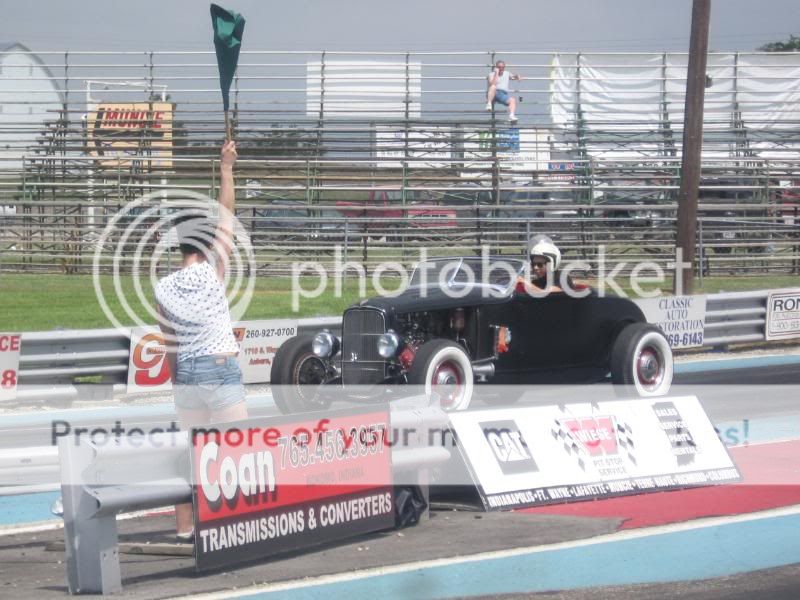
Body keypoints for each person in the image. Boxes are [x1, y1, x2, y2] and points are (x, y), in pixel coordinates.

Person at [155, 140, 248, 542]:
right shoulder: (214, 270)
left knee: (193, 451)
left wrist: (178, 384)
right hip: (219, 365)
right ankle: (234, 527)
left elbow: (170, 343)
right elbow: (227, 213)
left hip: (188, 373)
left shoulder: (162, 287)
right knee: (238, 449)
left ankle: (184, 528)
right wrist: (226, 168)